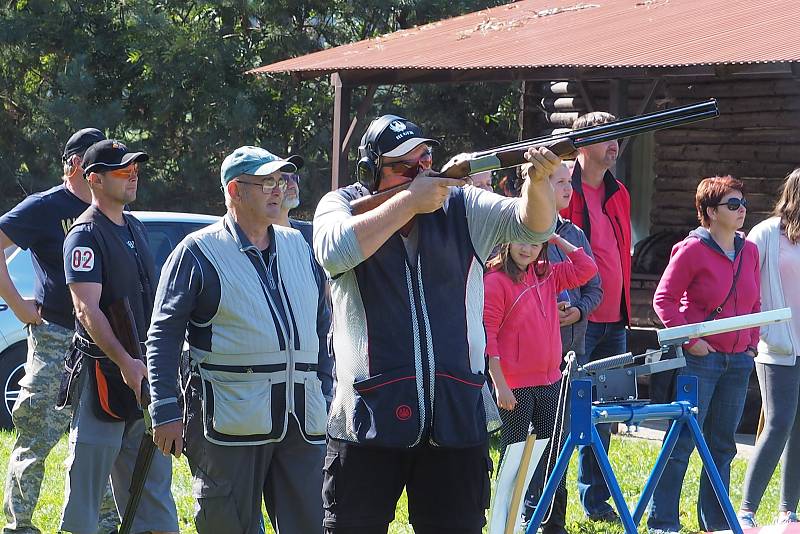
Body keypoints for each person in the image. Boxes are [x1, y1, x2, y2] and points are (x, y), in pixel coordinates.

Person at [313, 113, 560, 534]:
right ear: (370, 171)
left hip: (455, 415)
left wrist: (538, 185)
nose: (420, 171)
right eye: (404, 167)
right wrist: (409, 201)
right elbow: (334, 251)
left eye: (424, 159)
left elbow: (533, 226)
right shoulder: (339, 204)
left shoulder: (461, 204)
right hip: (367, 420)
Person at [145, 146, 332, 534]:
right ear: (235, 190)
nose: (277, 190)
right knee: (227, 525)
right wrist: (164, 410)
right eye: (265, 183)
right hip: (229, 422)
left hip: (303, 419)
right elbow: (162, 335)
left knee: (311, 525)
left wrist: (326, 393)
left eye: (280, 181)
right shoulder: (196, 252)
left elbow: (321, 329)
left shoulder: (302, 246)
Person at [0, 128, 118, 534]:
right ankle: (20, 525)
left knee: (95, 436)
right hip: (54, 338)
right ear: (74, 165)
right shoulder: (45, 206)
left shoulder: (109, 209)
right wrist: (18, 306)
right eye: (91, 159)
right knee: (36, 435)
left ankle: (102, 521)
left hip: (99, 339)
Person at [60, 139, 178, 534]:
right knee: (87, 493)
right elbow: (86, 310)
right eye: (121, 169)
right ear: (93, 179)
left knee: (153, 486)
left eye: (135, 167)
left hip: (142, 376)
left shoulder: (137, 226)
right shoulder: (84, 235)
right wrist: (125, 362)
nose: (133, 173)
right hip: (103, 379)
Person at [647, 176, 760, 534]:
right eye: (732, 204)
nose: (741, 210)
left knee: (723, 448)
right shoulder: (691, 249)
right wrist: (689, 341)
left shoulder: (750, 250)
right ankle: (663, 522)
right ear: (709, 212)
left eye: (742, 203)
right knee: (680, 443)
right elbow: (663, 300)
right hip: (701, 359)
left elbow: (757, 303)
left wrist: (751, 344)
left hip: (739, 360)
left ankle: (715, 524)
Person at [484, 233, 597, 534]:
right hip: (515, 387)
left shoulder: (547, 274)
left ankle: (551, 524)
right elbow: (489, 336)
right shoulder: (495, 280)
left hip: (550, 381)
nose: (527, 249)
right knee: (514, 456)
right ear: (506, 241)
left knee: (553, 456)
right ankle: (503, 525)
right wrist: (499, 383)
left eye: (535, 244)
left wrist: (555, 237)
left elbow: (587, 269)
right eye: (522, 241)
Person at [560, 111, 632, 522]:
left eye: (617, 137)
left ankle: (596, 502)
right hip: (575, 320)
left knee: (607, 416)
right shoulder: (560, 187)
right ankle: (548, 500)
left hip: (615, 319)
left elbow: (620, 252)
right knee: (565, 413)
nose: (615, 145)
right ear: (582, 145)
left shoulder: (619, 192)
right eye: (607, 137)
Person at [738, 167, 800, 527]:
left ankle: (788, 509)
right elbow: (745, 285)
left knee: (799, 428)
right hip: (777, 348)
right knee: (778, 423)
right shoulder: (766, 234)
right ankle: (746, 511)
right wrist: (753, 330)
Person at [273, 156, 313, 246]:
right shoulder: (259, 239)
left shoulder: (309, 233)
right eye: (283, 179)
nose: (292, 185)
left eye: (294, 178)